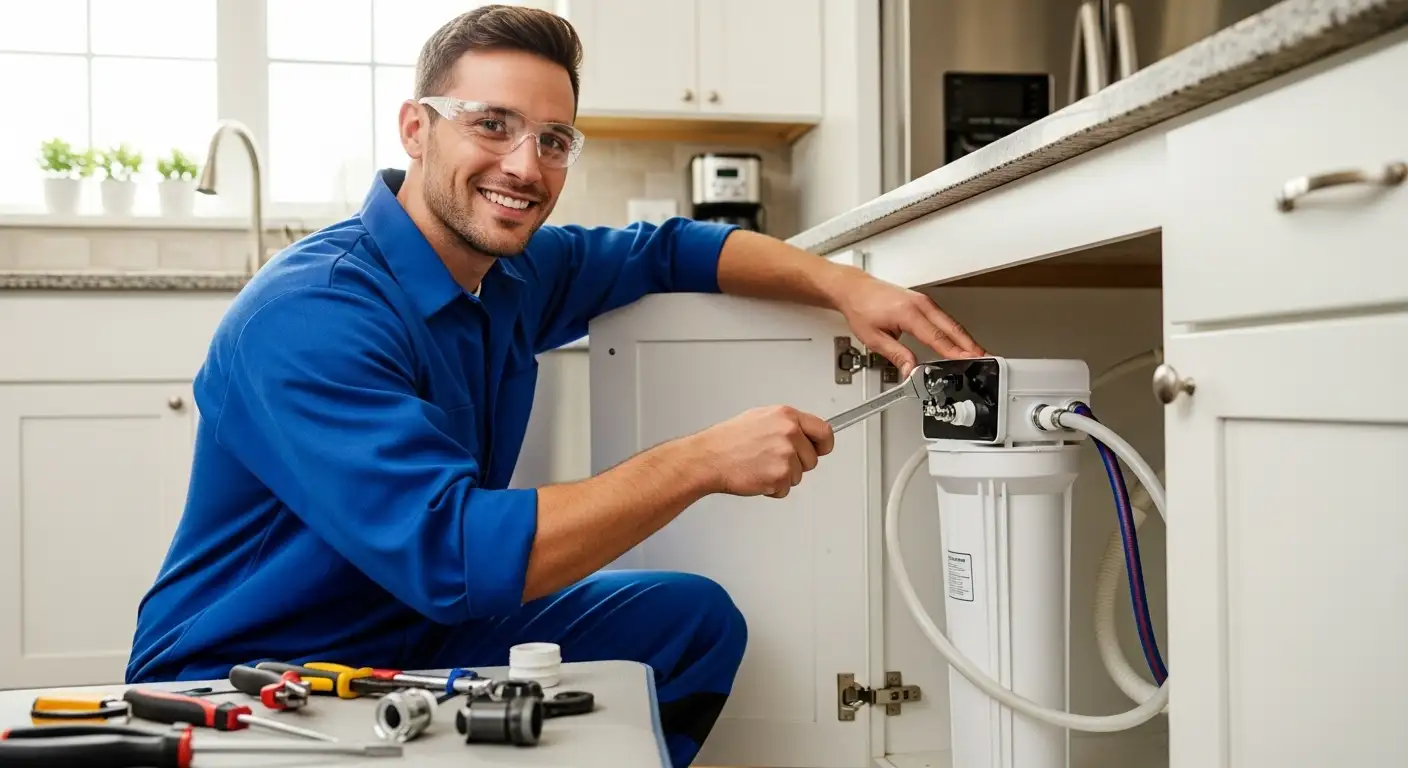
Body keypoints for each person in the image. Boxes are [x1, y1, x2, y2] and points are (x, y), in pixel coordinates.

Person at [125, 5, 985, 765]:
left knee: (688, 623)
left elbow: (670, 247)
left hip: (412, 635)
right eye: (491, 124)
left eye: (553, 139)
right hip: (245, 674)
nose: (526, 167)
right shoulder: (311, 314)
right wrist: (700, 461)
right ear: (417, 129)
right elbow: (454, 556)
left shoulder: (512, 274)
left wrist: (844, 285)